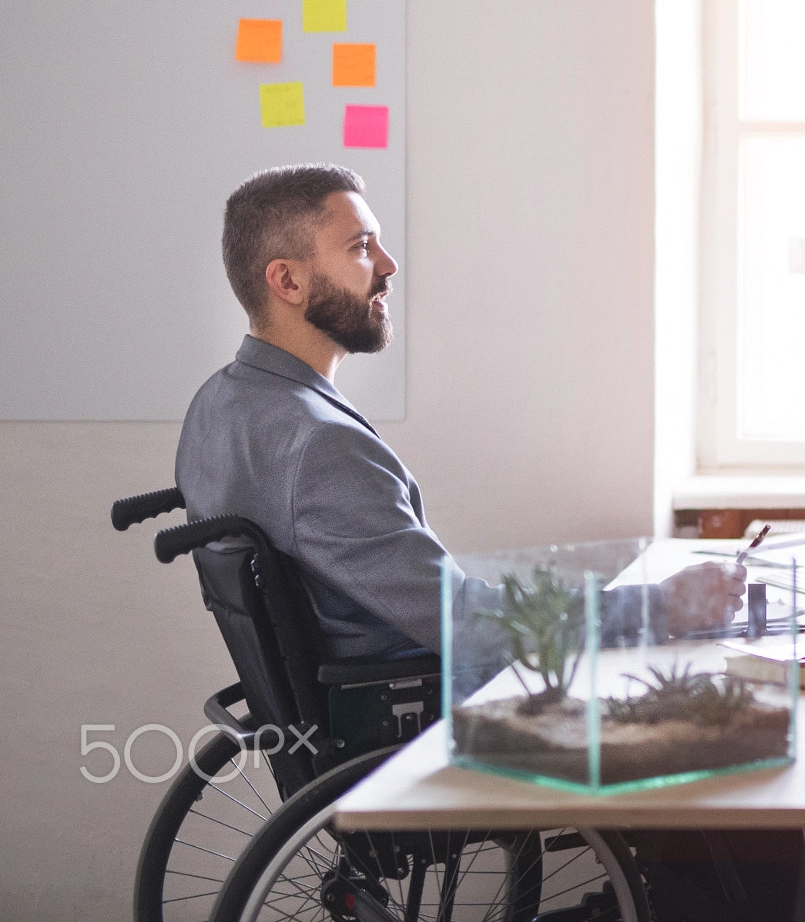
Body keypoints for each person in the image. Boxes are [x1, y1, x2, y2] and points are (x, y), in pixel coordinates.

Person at [176, 163, 741, 659]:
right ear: (289, 280)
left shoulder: (218, 406)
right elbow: (467, 627)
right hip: (413, 713)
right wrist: (665, 606)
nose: (389, 265)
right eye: (362, 247)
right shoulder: (321, 446)